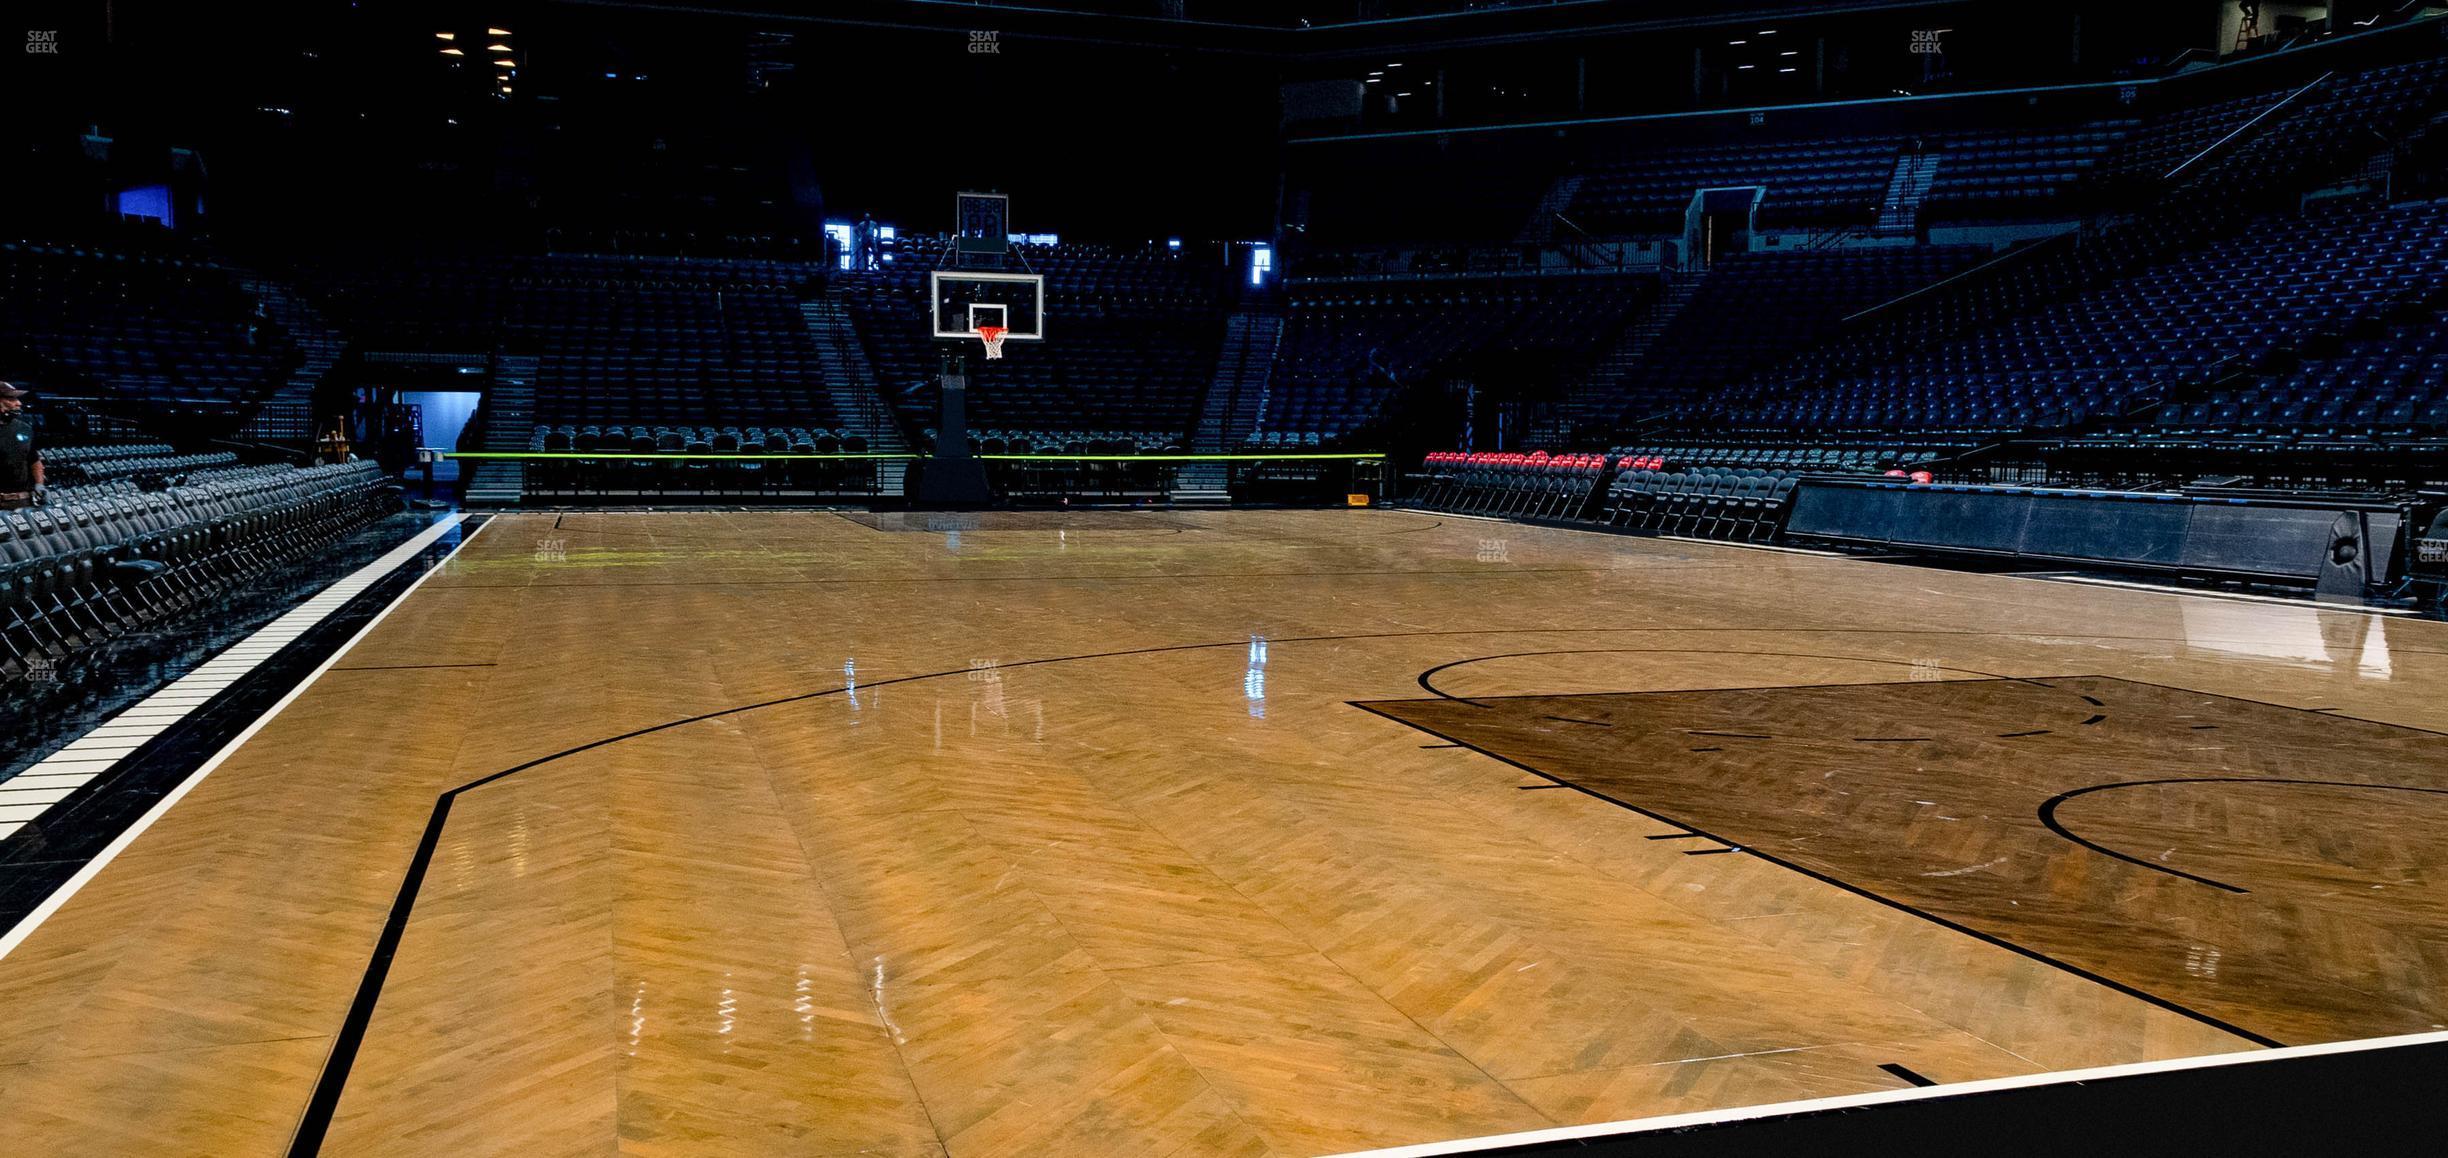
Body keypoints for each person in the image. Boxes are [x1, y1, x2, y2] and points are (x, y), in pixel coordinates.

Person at [0, 382, 44, 509]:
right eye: (11, 399)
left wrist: (39, 485)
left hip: (22, 501)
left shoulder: (24, 428)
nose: (18, 403)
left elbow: (34, 460)